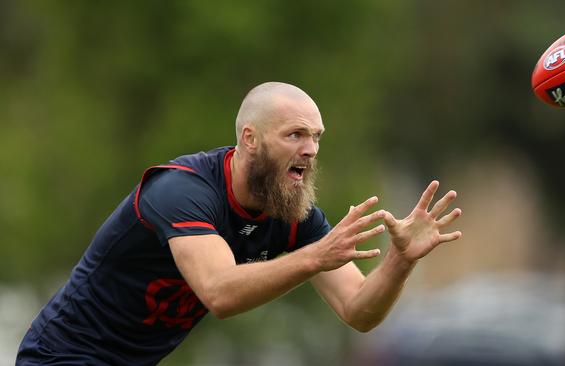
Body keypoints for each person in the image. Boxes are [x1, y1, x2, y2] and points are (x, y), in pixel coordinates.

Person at [16, 82, 462, 365]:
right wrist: (314, 258)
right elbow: (220, 292)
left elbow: (358, 311)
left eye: (316, 137)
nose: (310, 149)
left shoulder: (290, 213)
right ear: (250, 138)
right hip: (62, 356)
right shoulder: (181, 191)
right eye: (295, 134)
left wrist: (400, 261)